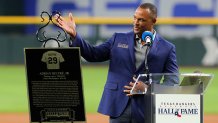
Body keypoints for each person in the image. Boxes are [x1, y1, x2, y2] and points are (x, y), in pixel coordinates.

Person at [54, 2, 179, 123]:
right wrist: (75, 35)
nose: (136, 22)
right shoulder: (117, 39)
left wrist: (148, 88)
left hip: (146, 109)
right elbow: (93, 54)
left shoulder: (167, 48)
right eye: (135, 18)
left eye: (141, 20)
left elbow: (173, 82)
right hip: (118, 107)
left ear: (154, 21)